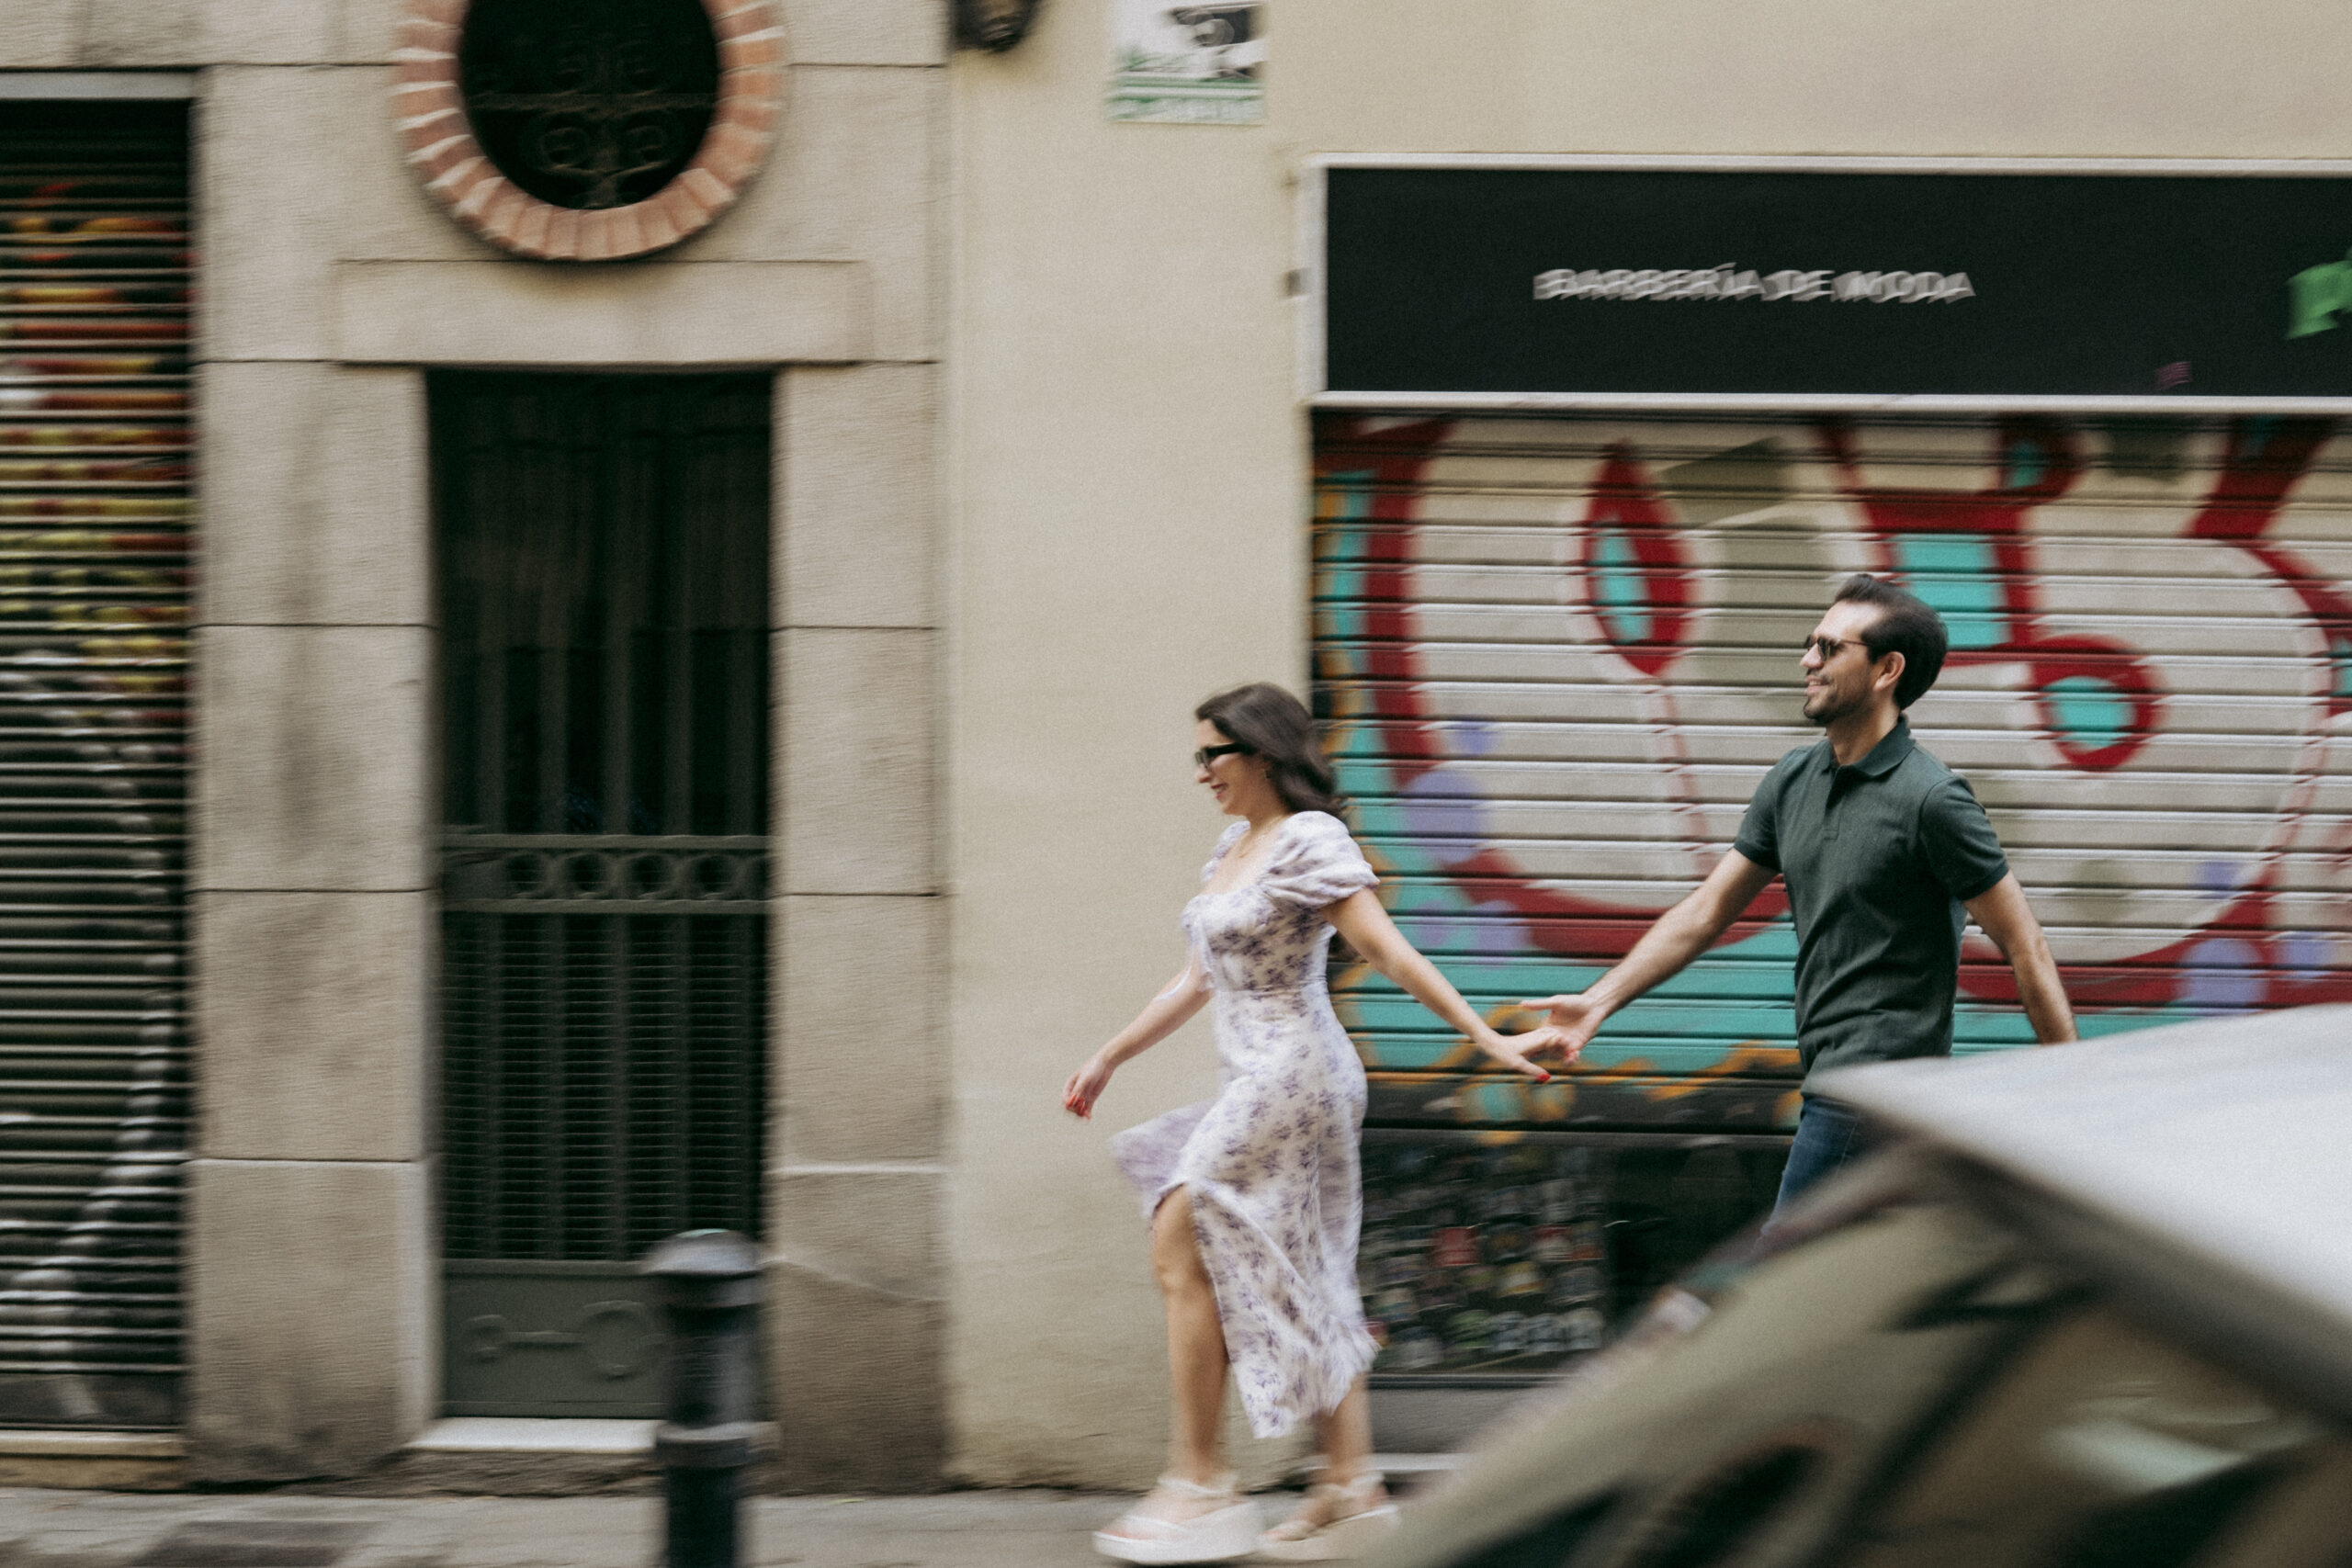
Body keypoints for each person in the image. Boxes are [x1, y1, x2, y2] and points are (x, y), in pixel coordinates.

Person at [1064, 682, 1557, 1564]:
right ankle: (1351, 1484)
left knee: (1182, 1227)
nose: (1202, 772)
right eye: (1199, 755)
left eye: (1213, 753)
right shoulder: (1234, 845)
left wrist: (1485, 1034)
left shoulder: (1309, 839)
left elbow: (1387, 949)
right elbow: (1193, 981)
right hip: (1253, 1070)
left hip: (1298, 1068)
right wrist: (1110, 1055)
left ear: (1261, 752)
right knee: (1309, 1266)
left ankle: (1201, 1480)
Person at [1524, 574, 2077, 1215]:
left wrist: (2071, 1091)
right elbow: (1705, 912)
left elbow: (2023, 942)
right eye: (1810, 643)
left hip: (1875, 1091)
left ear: (1885, 670)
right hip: (1833, 1084)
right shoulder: (1793, 779)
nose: (1807, 660)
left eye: (1830, 647)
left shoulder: (1932, 800)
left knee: (1771, 1280)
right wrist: (1599, 1001)